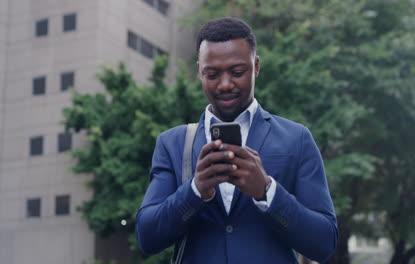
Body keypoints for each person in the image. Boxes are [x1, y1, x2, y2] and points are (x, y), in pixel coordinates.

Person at [136, 17, 338, 263]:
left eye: (237, 72)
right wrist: (195, 191)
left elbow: (324, 243)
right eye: (212, 74)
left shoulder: (297, 139)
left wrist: (266, 192)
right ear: (199, 70)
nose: (225, 84)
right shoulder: (172, 143)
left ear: (256, 67)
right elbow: (147, 238)